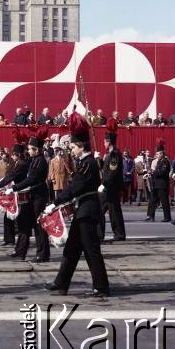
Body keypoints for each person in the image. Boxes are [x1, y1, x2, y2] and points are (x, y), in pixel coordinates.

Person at [45, 111, 110, 298]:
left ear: (80, 146)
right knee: (72, 249)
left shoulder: (87, 163)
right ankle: (61, 281)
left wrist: (55, 202)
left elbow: (75, 187)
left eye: (73, 146)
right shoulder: (84, 161)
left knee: (91, 251)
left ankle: (101, 286)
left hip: (87, 212)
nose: (71, 149)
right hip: (82, 211)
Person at [6, 129, 50, 263]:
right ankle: (21, 251)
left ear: (36, 150)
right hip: (32, 196)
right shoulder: (34, 160)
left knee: (38, 225)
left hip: (39, 196)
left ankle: (43, 254)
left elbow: (31, 179)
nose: (28, 151)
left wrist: (14, 188)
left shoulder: (40, 161)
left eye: (31, 149)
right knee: (25, 224)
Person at [0, 144, 29, 255]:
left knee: (19, 221)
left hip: (19, 193)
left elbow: (12, 176)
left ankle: (17, 245)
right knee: (8, 217)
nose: (12, 155)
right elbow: (9, 175)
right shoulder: (15, 163)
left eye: (14, 154)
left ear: (18, 155)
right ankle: (9, 239)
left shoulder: (21, 164)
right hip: (13, 192)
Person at [98, 119, 126, 241]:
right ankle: (119, 234)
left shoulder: (114, 153)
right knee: (114, 211)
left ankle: (99, 235)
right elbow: (106, 167)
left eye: (104, 141)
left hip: (110, 187)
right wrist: (99, 159)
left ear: (108, 142)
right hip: (110, 187)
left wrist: (104, 184)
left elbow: (112, 171)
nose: (103, 143)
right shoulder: (109, 154)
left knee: (100, 210)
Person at [145, 140, 171, 222]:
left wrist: (153, 172)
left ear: (162, 153)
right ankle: (150, 216)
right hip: (156, 184)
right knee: (152, 201)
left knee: (164, 202)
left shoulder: (165, 162)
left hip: (162, 185)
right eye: (156, 154)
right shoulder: (159, 161)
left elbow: (162, 172)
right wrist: (152, 173)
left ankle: (167, 217)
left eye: (158, 154)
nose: (156, 155)